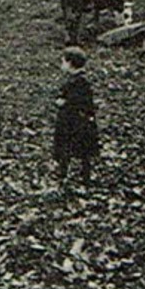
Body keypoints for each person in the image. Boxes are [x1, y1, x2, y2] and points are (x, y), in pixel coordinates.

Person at [52, 46, 99, 186]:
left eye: (63, 61)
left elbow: (78, 101)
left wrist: (63, 102)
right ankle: (80, 174)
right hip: (78, 120)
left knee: (69, 147)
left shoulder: (78, 82)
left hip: (73, 121)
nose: (61, 64)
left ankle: (66, 173)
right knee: (80, 149)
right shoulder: (79, 80)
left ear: (70, 63)